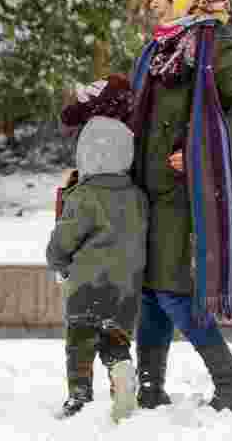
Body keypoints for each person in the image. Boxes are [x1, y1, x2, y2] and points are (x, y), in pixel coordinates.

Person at [130, 0, 232, 413]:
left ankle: (231, 386)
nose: (154, 3)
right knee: (149, 291)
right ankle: (149, 387)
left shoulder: (217, 48)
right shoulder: (156, 50)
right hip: (143, 190)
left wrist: (198, 150)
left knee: (175, 292)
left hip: (187, 194)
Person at [47, 75, 148, 422]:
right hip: (126, 288)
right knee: (115, 340)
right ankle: (121, 372)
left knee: (80, 340)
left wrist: (57, 261)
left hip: (86, 284)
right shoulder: (137, 197)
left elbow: (65, 238)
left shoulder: (84, 196)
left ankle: (79, 393)